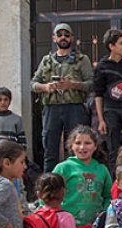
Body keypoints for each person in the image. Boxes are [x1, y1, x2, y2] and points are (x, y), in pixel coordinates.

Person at [31, 23, 94, 172]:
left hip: (75, 107)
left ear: (71, 38)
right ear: (54, 38)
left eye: (66, 35)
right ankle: (49, 185)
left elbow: (91, 84)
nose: (63, 38)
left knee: (77, 148)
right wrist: (45, 87)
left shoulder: (81, 59)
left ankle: (76, 180)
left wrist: (72, 85)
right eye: (59, 35)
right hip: (51, 108)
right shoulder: (47, 60)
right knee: (50, 149)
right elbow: (33, 83)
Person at [53, 126, 113, 228]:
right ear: (71, 146)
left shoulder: (102, 169)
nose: (82, 147)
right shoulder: (63, 168)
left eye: (87, 143)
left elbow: (108, 196)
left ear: (95, 146)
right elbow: (48, 194)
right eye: (78, 143)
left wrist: (104, 214)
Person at [94, 28, 122, 167]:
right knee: (113, 148)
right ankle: (116, 183)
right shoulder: (102, 66)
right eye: (121, 43)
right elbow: (98, 94)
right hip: (111, 110)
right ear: (111, 46)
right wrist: (101, 120)